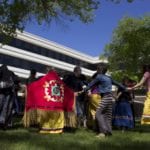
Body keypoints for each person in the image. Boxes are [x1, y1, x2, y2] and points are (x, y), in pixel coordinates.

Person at [83, 63, 125, 138]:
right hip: (110, 98)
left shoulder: (99, 76)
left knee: (98, 114)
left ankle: (102, 132)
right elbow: (119, 84)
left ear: (99, 70)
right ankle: (109, 131)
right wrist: (125, 88)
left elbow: (91, 85)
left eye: (97, 69)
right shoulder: (109, 77)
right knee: (107, 115)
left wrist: (84, 90)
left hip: (105, 97)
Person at [0, 64, 19, 129]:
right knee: (6, 107)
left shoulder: (1, 71)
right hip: (9, 92)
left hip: (2, 92)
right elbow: (17, 79)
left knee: (2, 106)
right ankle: (3, 122)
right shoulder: (11, 73)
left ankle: (2, 122)